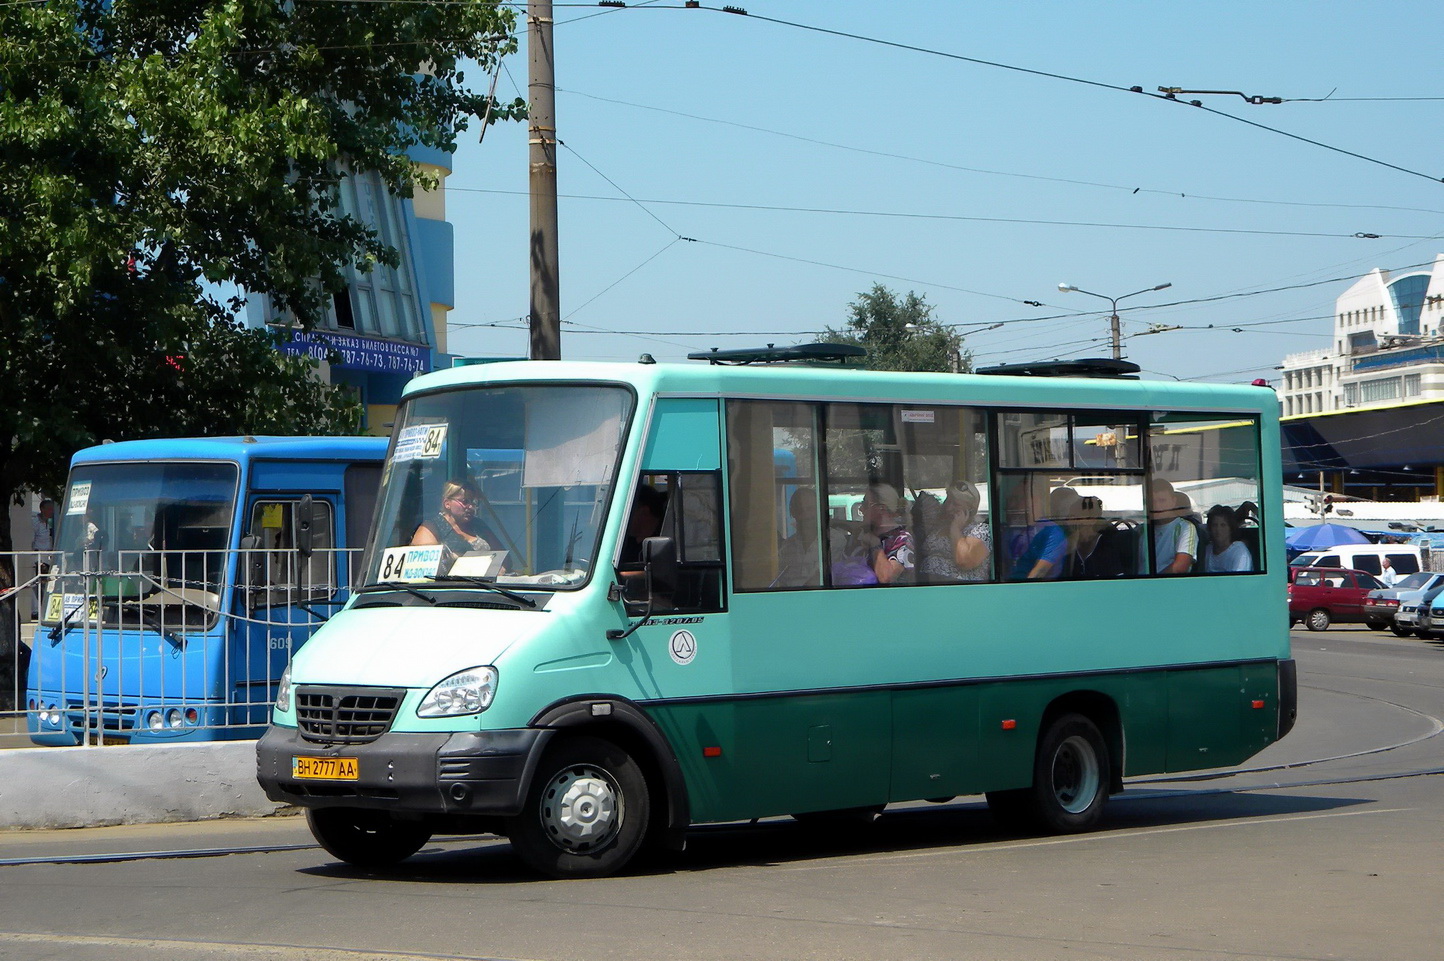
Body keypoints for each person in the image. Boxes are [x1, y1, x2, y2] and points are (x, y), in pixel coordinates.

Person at [916, 480, 991, 583]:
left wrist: (955, 528)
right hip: (927, 583)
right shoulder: (939, 527)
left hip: (958, 588)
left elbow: (964, 562)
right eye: (948, 501)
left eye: (955, 504)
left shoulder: (981, 531)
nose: (948, 507)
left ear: (970, 509)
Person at [776, 488, 843, 588]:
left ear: (818, 510)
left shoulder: (834, 540)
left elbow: (823, 577)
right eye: (800, 510)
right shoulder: (787, 547)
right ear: (793, 513)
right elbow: (779, 580)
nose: (806, 515)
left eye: (810, 509)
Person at [412, 479, 493, 557]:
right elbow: (425, 565)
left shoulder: (479, 525)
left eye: (473, 502)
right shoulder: (430, 529)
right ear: (447, 503)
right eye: (465, 502)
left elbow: (502, 558)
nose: (471, 507)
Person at [1011, 486, 1076, 580]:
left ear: (1035, 501)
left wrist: (1018, 592)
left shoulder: (1052, 531)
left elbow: (1039, 572)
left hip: (1037, 589)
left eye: (1019, 499)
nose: (1014, 504)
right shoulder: (1018, 528)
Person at [1068, 494, 1130, 578]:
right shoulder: (1068, 544)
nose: (1070, 521)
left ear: (1093, 519)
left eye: (1077, 517)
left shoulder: (1107, 544)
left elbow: (1117, 579)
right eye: (1070, 517)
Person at [1149, 479, 1198, 574]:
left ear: (1173, 501)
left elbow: (1180, 567)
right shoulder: (1141, 531)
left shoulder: (1185, 528)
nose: (1157, 505)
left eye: (1162, 501)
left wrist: (1151, 582)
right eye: (1153, 501)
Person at [619, 483, 667, 566]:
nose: (623, 518)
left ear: (644, 511)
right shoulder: (622, 544)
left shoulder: (664, 539)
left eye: (627, 512)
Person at [1201, 504, 1253, 573]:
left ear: (1231, 528)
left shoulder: (1239, 552)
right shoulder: (1207, 550)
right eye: (1214, 525)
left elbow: (1238, 581)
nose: (1218, 529)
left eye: (1223, 525)